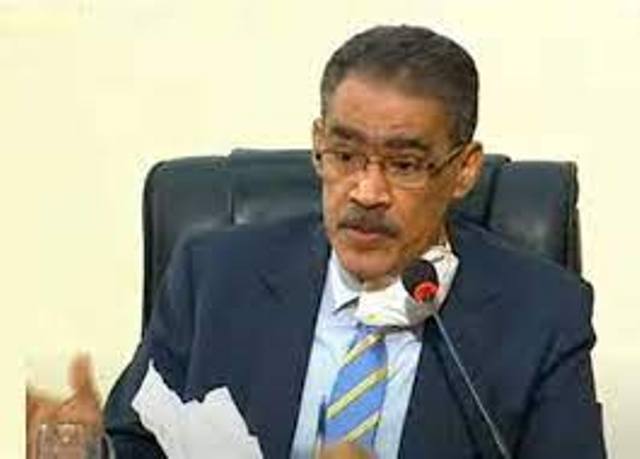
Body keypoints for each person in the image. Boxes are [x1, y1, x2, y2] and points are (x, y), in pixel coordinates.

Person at [27, 25, 606, 458]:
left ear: (464, 171)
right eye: (344, 154)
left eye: (405, 164)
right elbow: (140, 447)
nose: (366, 192)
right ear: (317, 145)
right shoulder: (213, 278)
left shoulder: (541, 315)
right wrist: (88, 450)